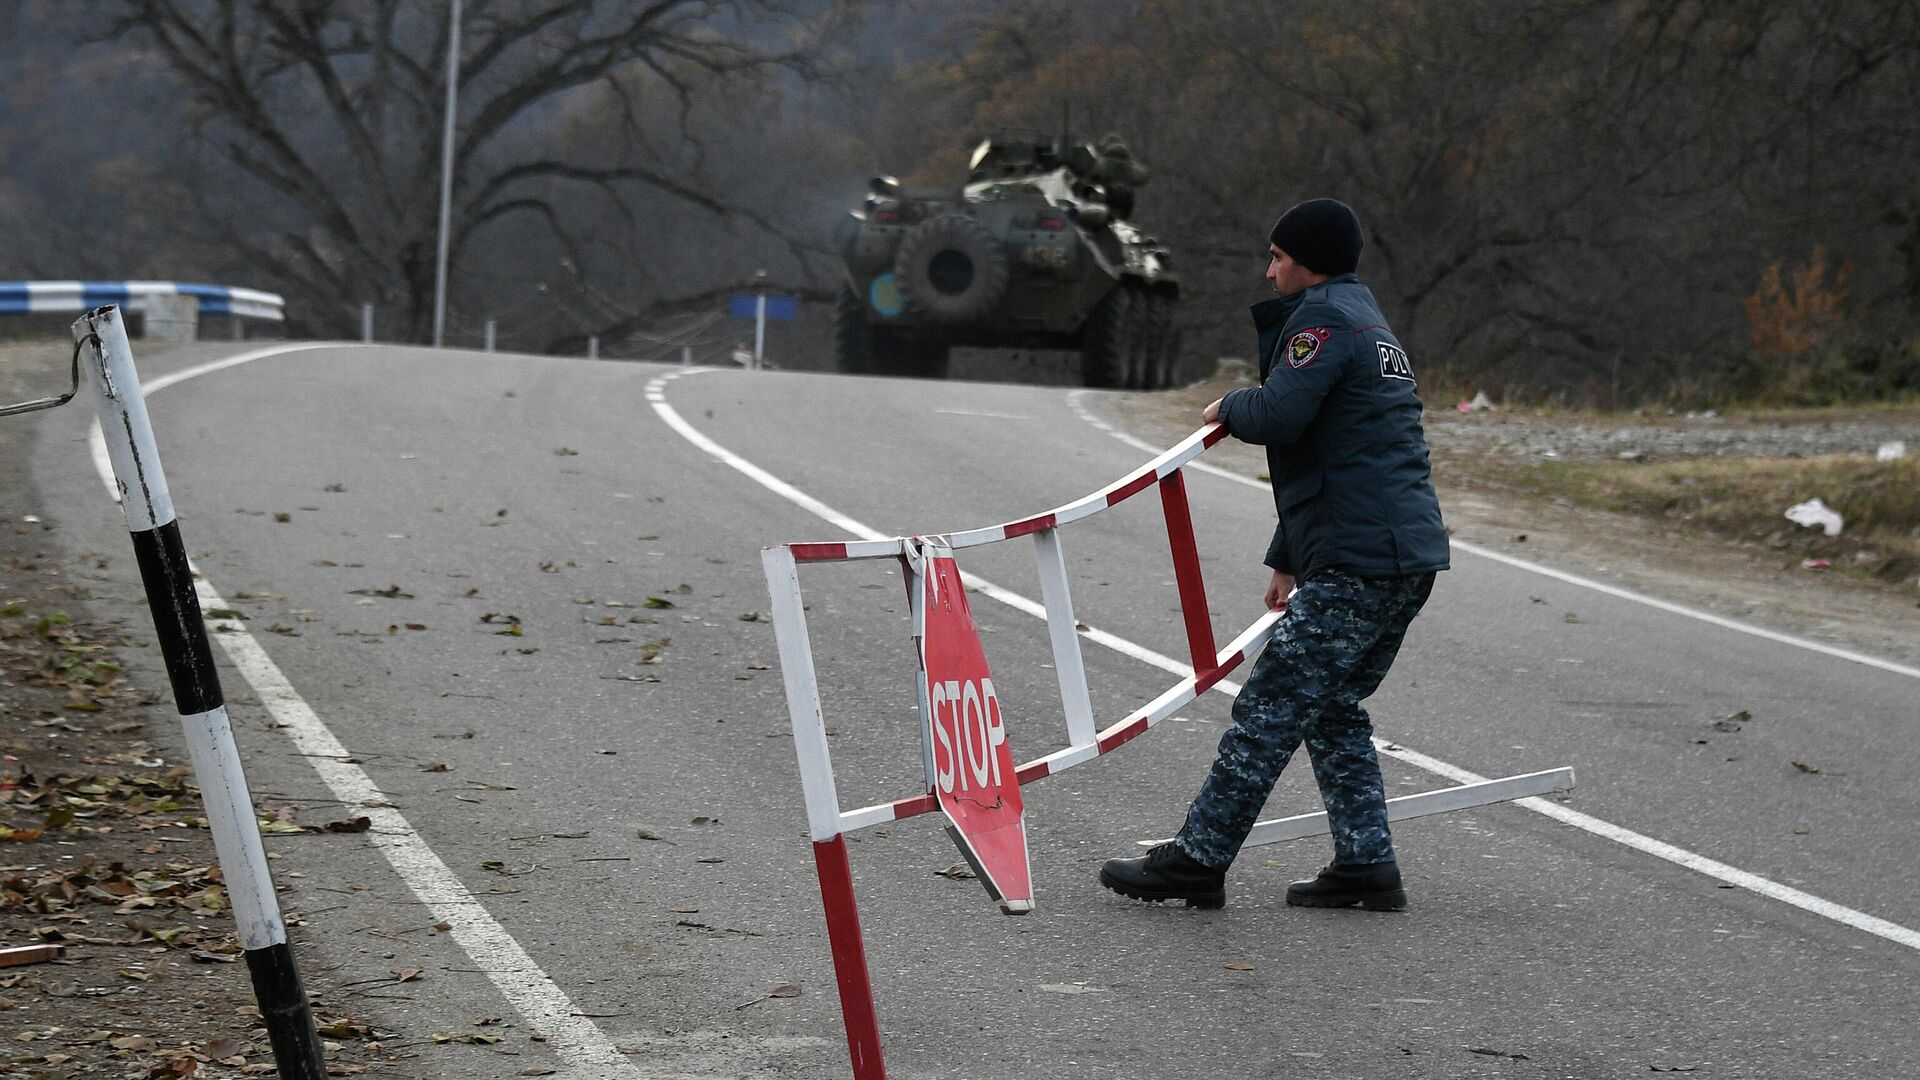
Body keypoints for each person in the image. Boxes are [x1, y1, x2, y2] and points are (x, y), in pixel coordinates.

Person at [1099, 198, 1449, 911]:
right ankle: (1366, 865)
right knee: (1333, 706)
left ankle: (1196, 860)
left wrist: (1229, 402)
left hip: (1360, 559)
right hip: (1400, 554)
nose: (1269, 269)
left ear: (1309, 263)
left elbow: (1282, 415)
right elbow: (1338, 452)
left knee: (1270, 707)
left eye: (1278, 258)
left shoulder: (1322, 320)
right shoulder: (1372, 323)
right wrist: (1288, 553)